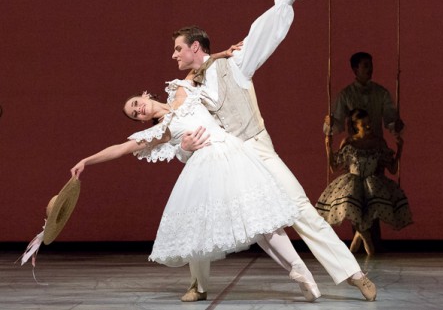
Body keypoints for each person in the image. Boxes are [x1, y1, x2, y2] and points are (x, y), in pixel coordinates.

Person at [168, 0, 377, 301]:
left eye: (178, 48)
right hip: (225, 159)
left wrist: (287, 1)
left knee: (300, 211)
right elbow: (182, 128)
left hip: (257, 150)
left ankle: (354, 273)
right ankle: (198, 283)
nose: (174, 55)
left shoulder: (232, 64)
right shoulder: (186, 88)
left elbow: (259, 37)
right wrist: (184, 148)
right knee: (200, 210)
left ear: (195, 47)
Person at [70, 78, 322, 302]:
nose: (139, 110)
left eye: (136, 103)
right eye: (135, 114)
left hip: (232, 154)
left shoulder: (181, 88)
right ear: (142, 120)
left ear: (145, 95)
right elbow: (120, 148)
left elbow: (202, 63)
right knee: (199, 227)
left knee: (261, 218)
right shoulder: (161, 131)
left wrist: (226, 52)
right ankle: (199, 285)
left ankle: (301, 271)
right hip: (205, 167)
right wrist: (87, 161)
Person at [323, 52, 405, 252]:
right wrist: (329, 125)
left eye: (371, 65)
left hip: (375, 151)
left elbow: (391, 120)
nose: (370, 69)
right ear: (355, 69)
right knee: (356, 199)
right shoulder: (345, 95)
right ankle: (363, 245)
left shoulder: (381, 93)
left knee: (374, 199)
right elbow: (336, 126)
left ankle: (371, 243)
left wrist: (397, 126)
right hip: (354, 153)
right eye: (365, 65)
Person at [316, 109, 413, 255]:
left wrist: (400, 148)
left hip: (372, 184)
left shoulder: (378, 142)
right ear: (355, 125)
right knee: (350, 205)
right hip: (352, 183)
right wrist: (328, 147)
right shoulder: (349, 142)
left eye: (369, 123)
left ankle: (358, 246)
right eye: (364, 124)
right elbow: (334, 167)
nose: (368, 126)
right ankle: (366, 242)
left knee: (371, 210)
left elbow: (392, 169)